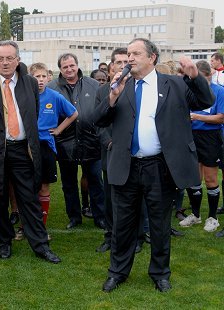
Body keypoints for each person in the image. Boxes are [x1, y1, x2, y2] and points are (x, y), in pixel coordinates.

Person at [93, 38, 214, 293]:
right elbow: (98, 120)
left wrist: (195, 77)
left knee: (159, 224)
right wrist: (113, 97)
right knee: (123, 224)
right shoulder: (117, 86)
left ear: (152, 58)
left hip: (160, 166)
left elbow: (205, 101)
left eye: (136, 54)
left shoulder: (176, 84)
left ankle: (160, 273)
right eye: (127, 54)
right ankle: (117, 272)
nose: (130, 58)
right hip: (126, 165)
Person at [0, 40, 61, 263]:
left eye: (10, 58)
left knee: (28, 198)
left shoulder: (28, 82)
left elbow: (33, 112)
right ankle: (4, 242)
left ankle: (40, 245)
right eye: (0, 58)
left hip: (22, 150)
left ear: (18, 59)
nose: (5, 62)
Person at [48, 53, 105, 230]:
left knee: (96, 180)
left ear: (77, 65)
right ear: (60, 69)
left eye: (72, 65)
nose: (69, 69)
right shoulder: (52, 87)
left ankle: (100, 216)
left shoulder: (93, 84)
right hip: (65, 143)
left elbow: (103, 110)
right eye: (65, 67)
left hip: (91, 141)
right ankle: (74, 217)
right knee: (69, 184)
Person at [29, 62, 78, 233]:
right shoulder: (25, 96)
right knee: (27, 187)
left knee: (43, 186)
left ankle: (41, 226)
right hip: (26, 146)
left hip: (46, 146)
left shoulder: (54, 96)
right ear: (30, 78)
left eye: (43, 76)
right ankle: (25, 225)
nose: (40, 80)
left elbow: (73, 113)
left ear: (49, 77)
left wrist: (58, 129)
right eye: (37, 77)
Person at [179, 60, 224, 232]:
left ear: (210, 75)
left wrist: (197, 117)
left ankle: (213, 217)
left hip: (210, 137)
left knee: (211, 178)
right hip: (191, 136)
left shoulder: (219, 91)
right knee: (193, 178)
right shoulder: (189, 90)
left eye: (201, 78)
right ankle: (195, 215)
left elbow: (221, 117)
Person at [95, 47, 128, 253]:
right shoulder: (102, 90)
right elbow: (97, 122)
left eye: (127, 62)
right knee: (110, 197)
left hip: (134, 152)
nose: (123, 66)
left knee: (136, 197)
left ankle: (138, 236)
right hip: (110, 152)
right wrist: (108, 142)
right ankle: (110, 236)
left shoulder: (137, 87)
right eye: (119, 63)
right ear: (111, 67)